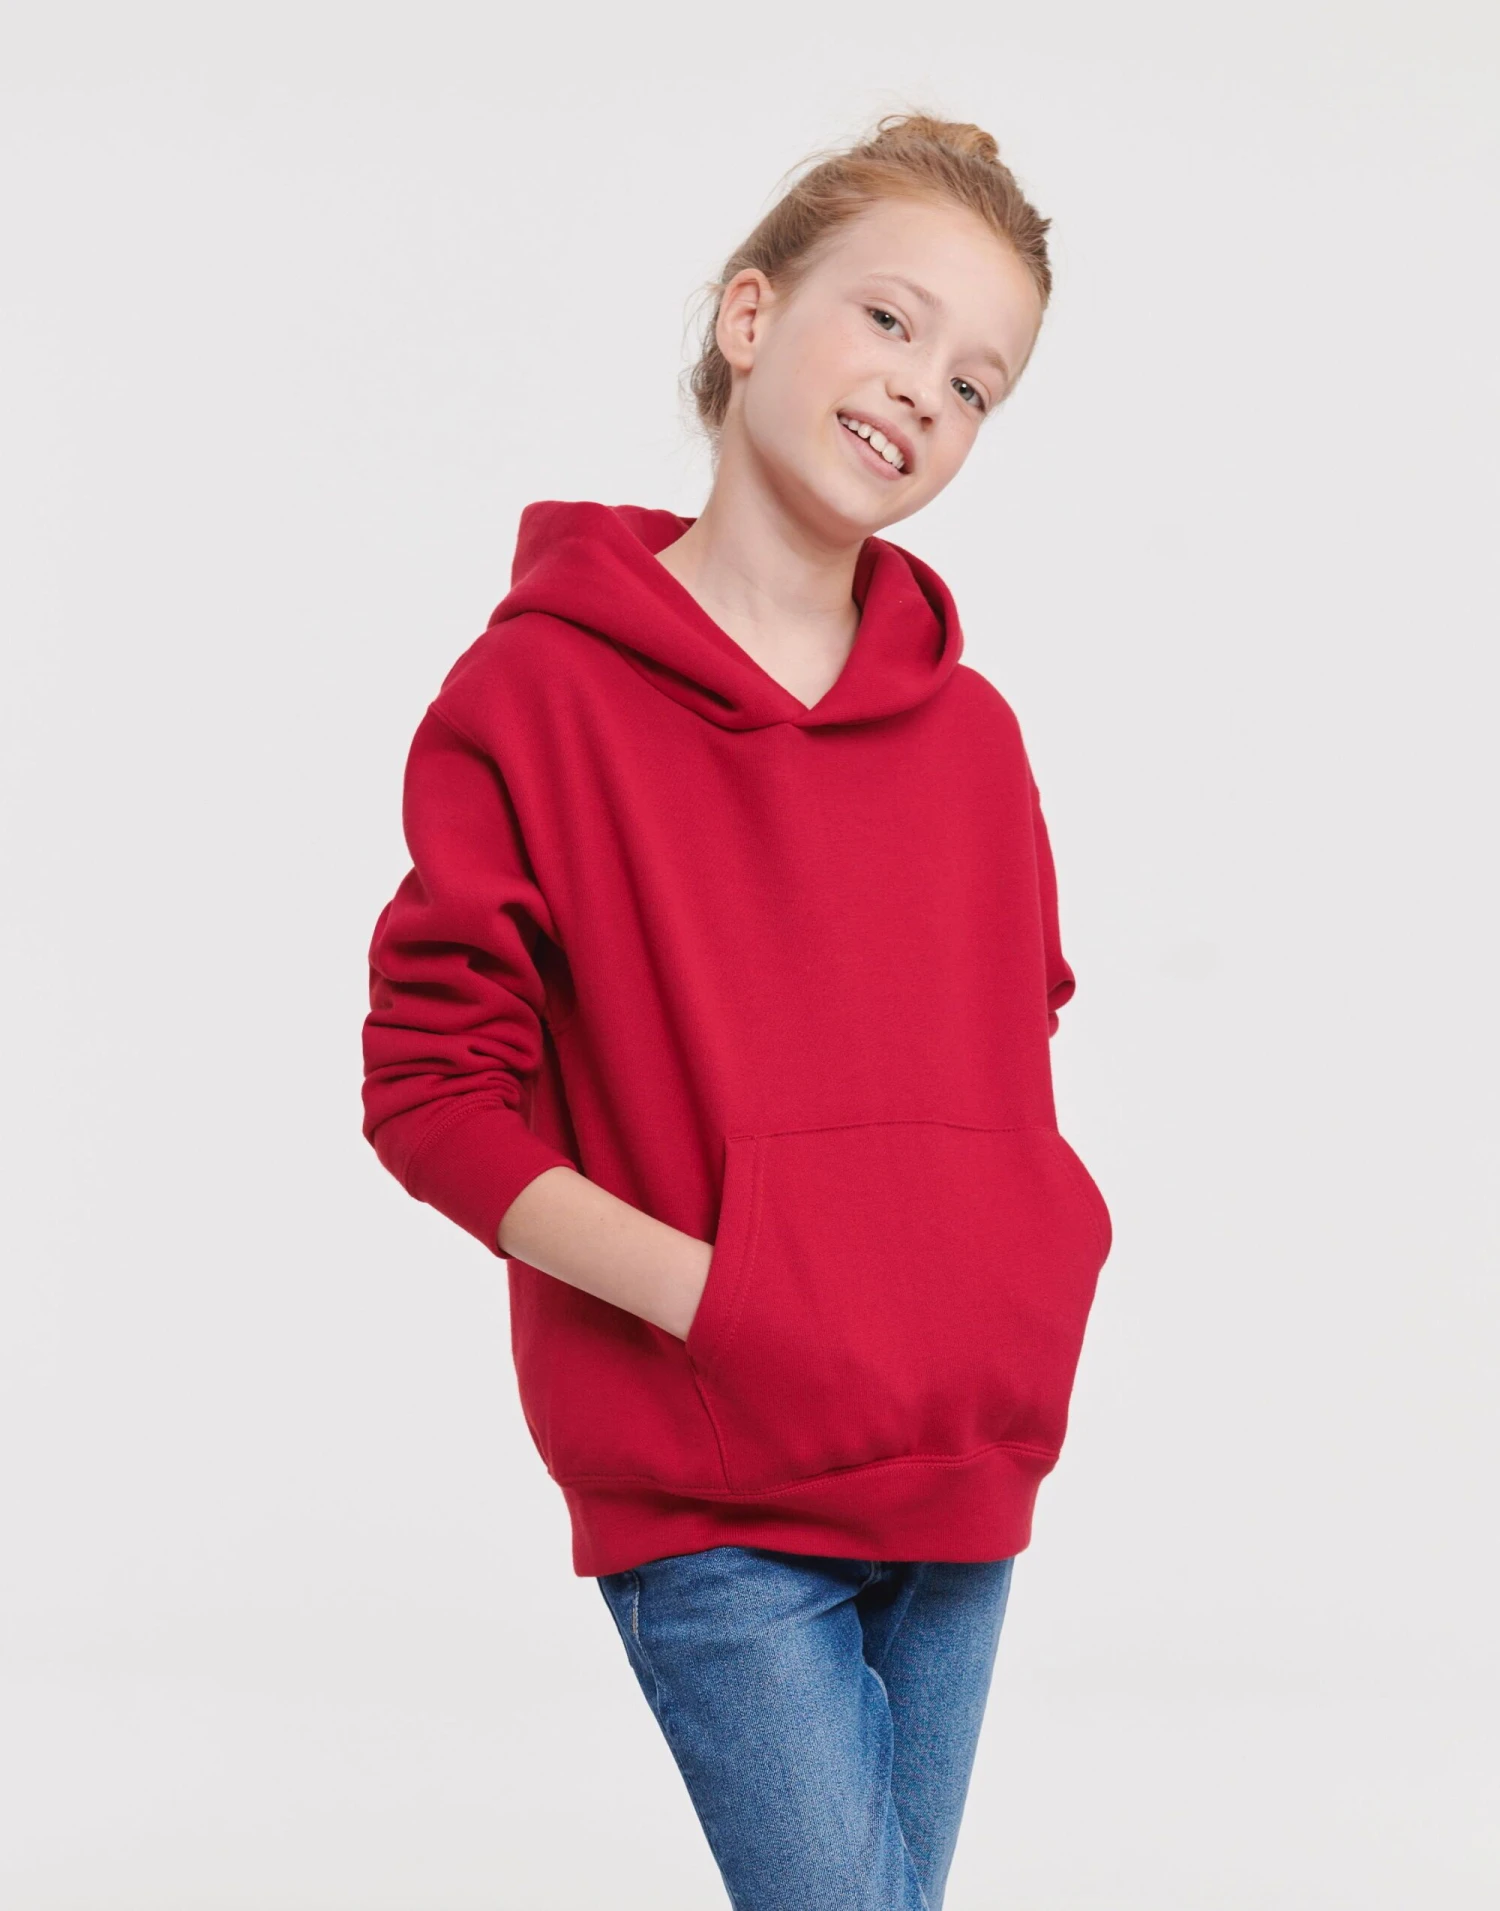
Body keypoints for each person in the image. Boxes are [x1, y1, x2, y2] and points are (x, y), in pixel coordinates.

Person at [361, 108, 1113, 1911]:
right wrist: (733, 1298)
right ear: (752, 315)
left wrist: (1016, 1270)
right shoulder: (536, 697)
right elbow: (432, 1096)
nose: (924, 387)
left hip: (962, 1456)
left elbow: (1004, 1055)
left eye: (977, 382)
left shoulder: (972, 732)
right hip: (712, 1478)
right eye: (891, 319)